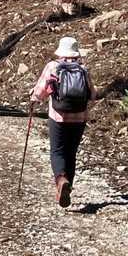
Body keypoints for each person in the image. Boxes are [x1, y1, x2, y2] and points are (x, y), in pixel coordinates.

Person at [30, 35, 94, 208]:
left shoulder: (53, 66)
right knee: (71, 153)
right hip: (79, 117)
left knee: (57, 151)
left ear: (60, 51)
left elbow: (40, 91)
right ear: (76, 52)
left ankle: (61, 180)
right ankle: (67, 189)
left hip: (58, 117)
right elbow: (92, 94)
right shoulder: (83, 69)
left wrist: (34, 99)